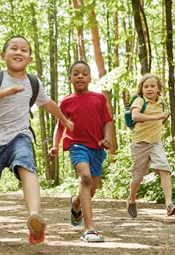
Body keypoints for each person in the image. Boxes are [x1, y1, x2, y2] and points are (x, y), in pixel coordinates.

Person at [0, 36, 74, 245]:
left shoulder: (33, 83)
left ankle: (34, 215)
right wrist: (7, 91)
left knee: (27, 165)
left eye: (24, 50)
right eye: (14, 48)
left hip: (20, 135)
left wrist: (64, 120)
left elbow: (49, 104)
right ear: (3, 55)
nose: (19, 52)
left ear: (30, 59)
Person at [49, 61, 113, 242]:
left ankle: (76, 202)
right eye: (76, 74)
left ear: (90, 78)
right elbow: (60, 125)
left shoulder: (99, 98)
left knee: (91, 190)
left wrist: (107, 138)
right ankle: (89, 228)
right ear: (70, 79)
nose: (80, 76)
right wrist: (55, 145)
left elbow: (108, 121)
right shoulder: (66, 101)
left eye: (84, 74)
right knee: (85, 178)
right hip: (77, 146)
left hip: (97, 148)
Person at [126, 73, 175, 218]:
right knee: (137, 177)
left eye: (152, 86)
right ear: (142, 89)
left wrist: (159, 120)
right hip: (139, 144)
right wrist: (156, 116)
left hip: (156, 143)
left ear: (158, 88)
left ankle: (169, 205)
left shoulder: (161, 103)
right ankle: (131, 199)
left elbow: (159, 122)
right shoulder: (139, 101)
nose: (149, 89)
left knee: (165, 169)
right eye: (146, 86)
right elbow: (135, 117)